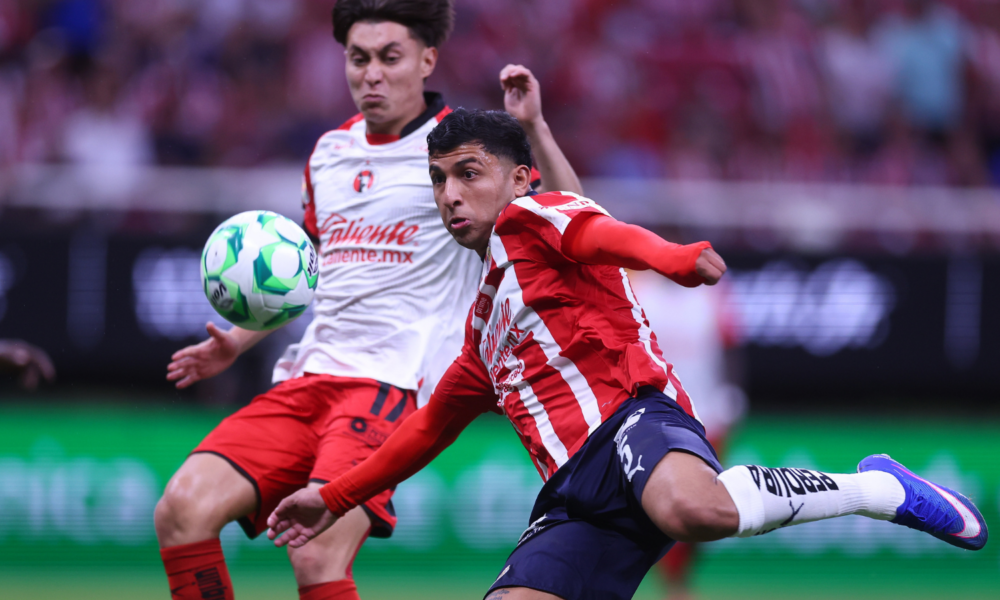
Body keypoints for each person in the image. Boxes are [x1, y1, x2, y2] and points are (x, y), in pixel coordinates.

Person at [266, 109, 989, 600]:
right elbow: (425, 430)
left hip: (636, 422)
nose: (450, 194)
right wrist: (330, 498)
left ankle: (879, 491)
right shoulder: (482, 326)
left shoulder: (535, 217)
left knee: (690, 508)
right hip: (577, 496)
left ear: (520, 178)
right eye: (438, 180)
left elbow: (603, 235)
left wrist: (675, 259)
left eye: (468, 172)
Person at [154, 1, 583, 599]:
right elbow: (308, 277)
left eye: (390, 58)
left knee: (316, 553)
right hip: (307, 377)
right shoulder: (328, 153)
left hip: (395, 384)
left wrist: (535, 127)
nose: (371, 73)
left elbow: (571, 217)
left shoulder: (464, 149)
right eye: (359, 59)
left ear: (427, 60)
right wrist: (238, 339)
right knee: (181, 509)